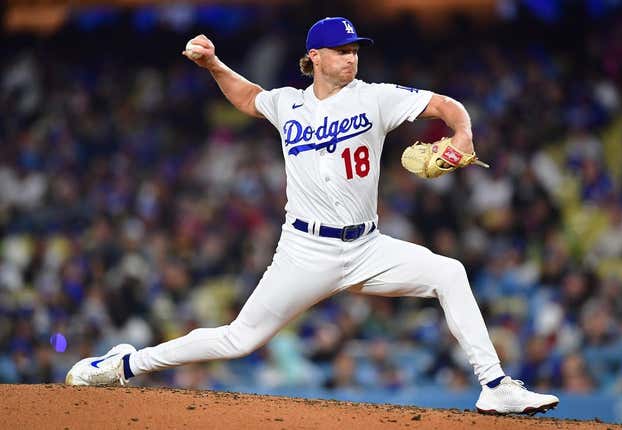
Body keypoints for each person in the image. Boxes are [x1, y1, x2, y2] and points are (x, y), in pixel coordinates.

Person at [66, 17, 559, 415]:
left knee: (449, 272)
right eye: (342, 50)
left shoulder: (375, 97)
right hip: (305, 250)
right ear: (315, 57)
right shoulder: (289, 104)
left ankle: (494, 386)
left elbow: (445, 106)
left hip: (367, 247)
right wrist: (215, 63)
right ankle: (126, 364)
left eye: (355, 50)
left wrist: (463, 135)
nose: (351, 57)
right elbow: (247, 97)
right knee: (239, 339)